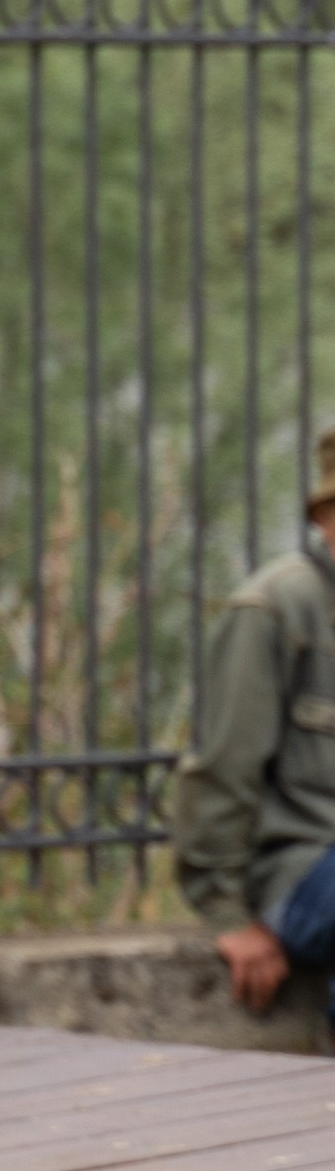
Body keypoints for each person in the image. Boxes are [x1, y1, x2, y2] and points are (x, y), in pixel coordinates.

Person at [173, 427, 335, 1035]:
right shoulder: (276, 609)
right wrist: (225, 913)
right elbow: (223, 765)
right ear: (324, 517)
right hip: (300, 863)